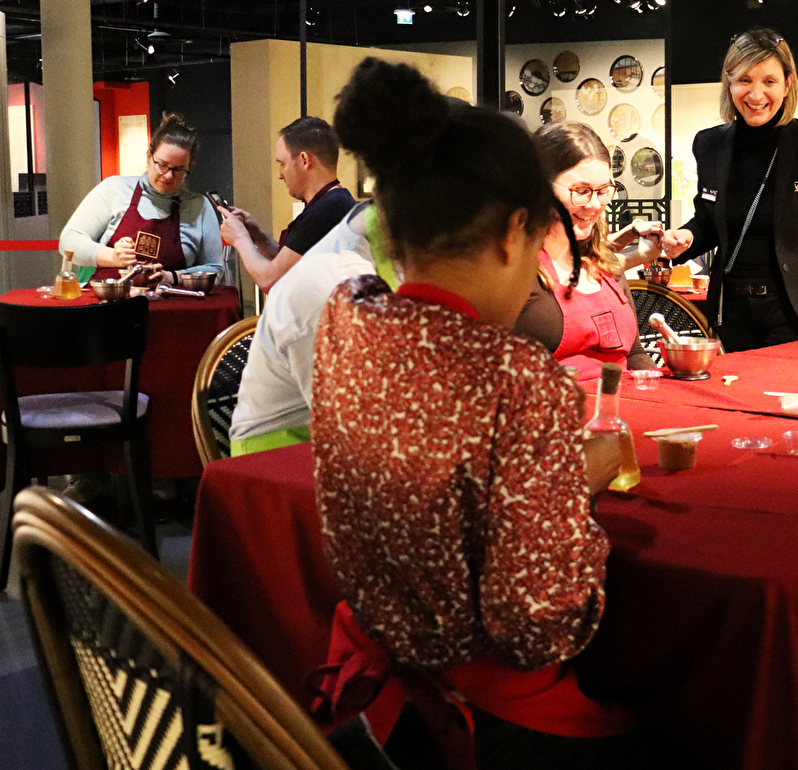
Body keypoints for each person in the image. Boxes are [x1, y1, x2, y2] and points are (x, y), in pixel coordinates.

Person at [307, 58, 642, 768]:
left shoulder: (346, 319)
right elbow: (535, 624)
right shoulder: (518, 379)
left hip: (365, 701)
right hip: (486, 720)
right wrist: (569, 489)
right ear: (515, 233)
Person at [659, 28, 798, 351]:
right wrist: (687, 237)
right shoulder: (709, 144)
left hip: (797, 312)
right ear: (729, 82)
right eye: (745, 80)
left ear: (787, 84)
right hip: (731, 312)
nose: (756, 94)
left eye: (769, 81)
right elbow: (709, 220)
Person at [225, 200, 381, 455]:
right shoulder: (333, 290)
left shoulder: (341, 220)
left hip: (320, 434)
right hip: (275, 452)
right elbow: (352, 423)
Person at [515, 122, 661, 378]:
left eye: (603, 191)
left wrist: (658, 387)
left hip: (620, 400)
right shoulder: (514, 270)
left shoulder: (604, 264)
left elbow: (634, 353)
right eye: (581, 191)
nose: (595, 205)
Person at [59, 112, 224, 286]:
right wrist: (113, 257)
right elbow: (69, 241)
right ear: (149, 157)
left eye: (178, 169)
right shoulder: (115, 189)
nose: (168, 175)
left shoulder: (199, 206)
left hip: (170, 299)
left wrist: (171, 277)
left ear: (189, 167)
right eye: (162, 164)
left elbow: (215, 268)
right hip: (108, 299)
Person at [217, 116, 356, 293]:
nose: (280, 174)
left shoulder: (328, 209)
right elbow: (291, 264)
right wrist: (259, 237)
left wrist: (240, 239)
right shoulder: (334, 202)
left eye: (282, 164)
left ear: (304, 160)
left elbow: (271, 281)